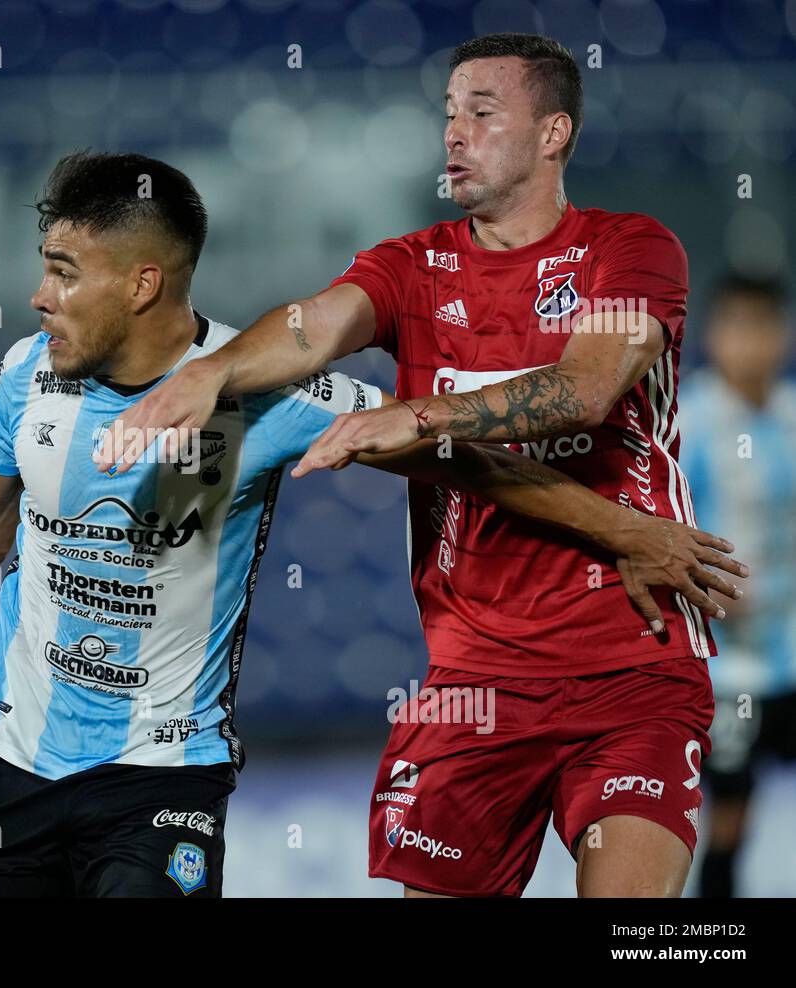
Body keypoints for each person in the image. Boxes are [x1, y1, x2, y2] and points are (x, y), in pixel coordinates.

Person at [0, 150, 741, 898]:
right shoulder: (27, 375)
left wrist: (623, 529)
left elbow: (470, 465)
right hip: (6, 760)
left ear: (142, 282)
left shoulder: (272, 398)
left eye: (63, 273)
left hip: (158, 778)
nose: (38, 295)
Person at [96, 35, 748, 897]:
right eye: (448, 114)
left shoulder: (632, 250)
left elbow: (586, 391)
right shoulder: (409, 266)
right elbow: (311, 326)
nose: (453, 135)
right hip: (471, 676)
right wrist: (212, 373)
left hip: (634, 656)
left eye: (482, 113)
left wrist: (417, 414)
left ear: (554, 133)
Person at [679, 273, 796, 897]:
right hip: (729, 670)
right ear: (715, 335)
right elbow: (652, 527)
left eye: (766, 326)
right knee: (727, 824)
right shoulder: (690, 424)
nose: (752, 343)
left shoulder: (791, 414)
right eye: (738, 326)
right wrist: (705, 584)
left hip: (793, 650)